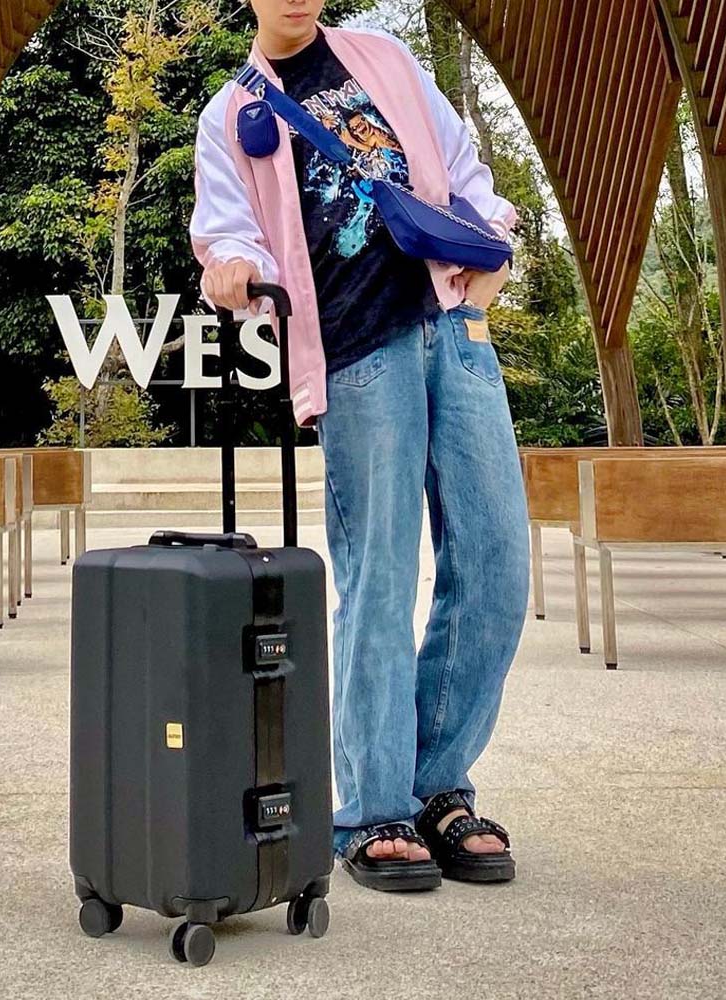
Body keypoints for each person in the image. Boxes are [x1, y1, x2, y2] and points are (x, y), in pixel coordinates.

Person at [190, 0, 529, 892]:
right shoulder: (231, 112)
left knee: (497, 564)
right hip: (356, 353)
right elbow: (227, 230)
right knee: (379, 577)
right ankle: (374, 809)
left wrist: (490, 264)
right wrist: (231, 268)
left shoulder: (383, 58)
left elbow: (461, 164)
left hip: (454, 328)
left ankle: (439, 788)